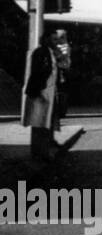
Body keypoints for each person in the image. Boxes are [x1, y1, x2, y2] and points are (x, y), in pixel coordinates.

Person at [22, 30, 62, 163]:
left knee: (46, 123)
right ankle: (40, 153)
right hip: (42, 91)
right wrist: (38, 93)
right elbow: (36, 73)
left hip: (50, 91)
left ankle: (44, 151)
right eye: (54, 39)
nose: (57, 42)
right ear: (47, 40)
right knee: (40, 124)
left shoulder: (52, 53)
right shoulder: (40, 52)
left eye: (57, 39)